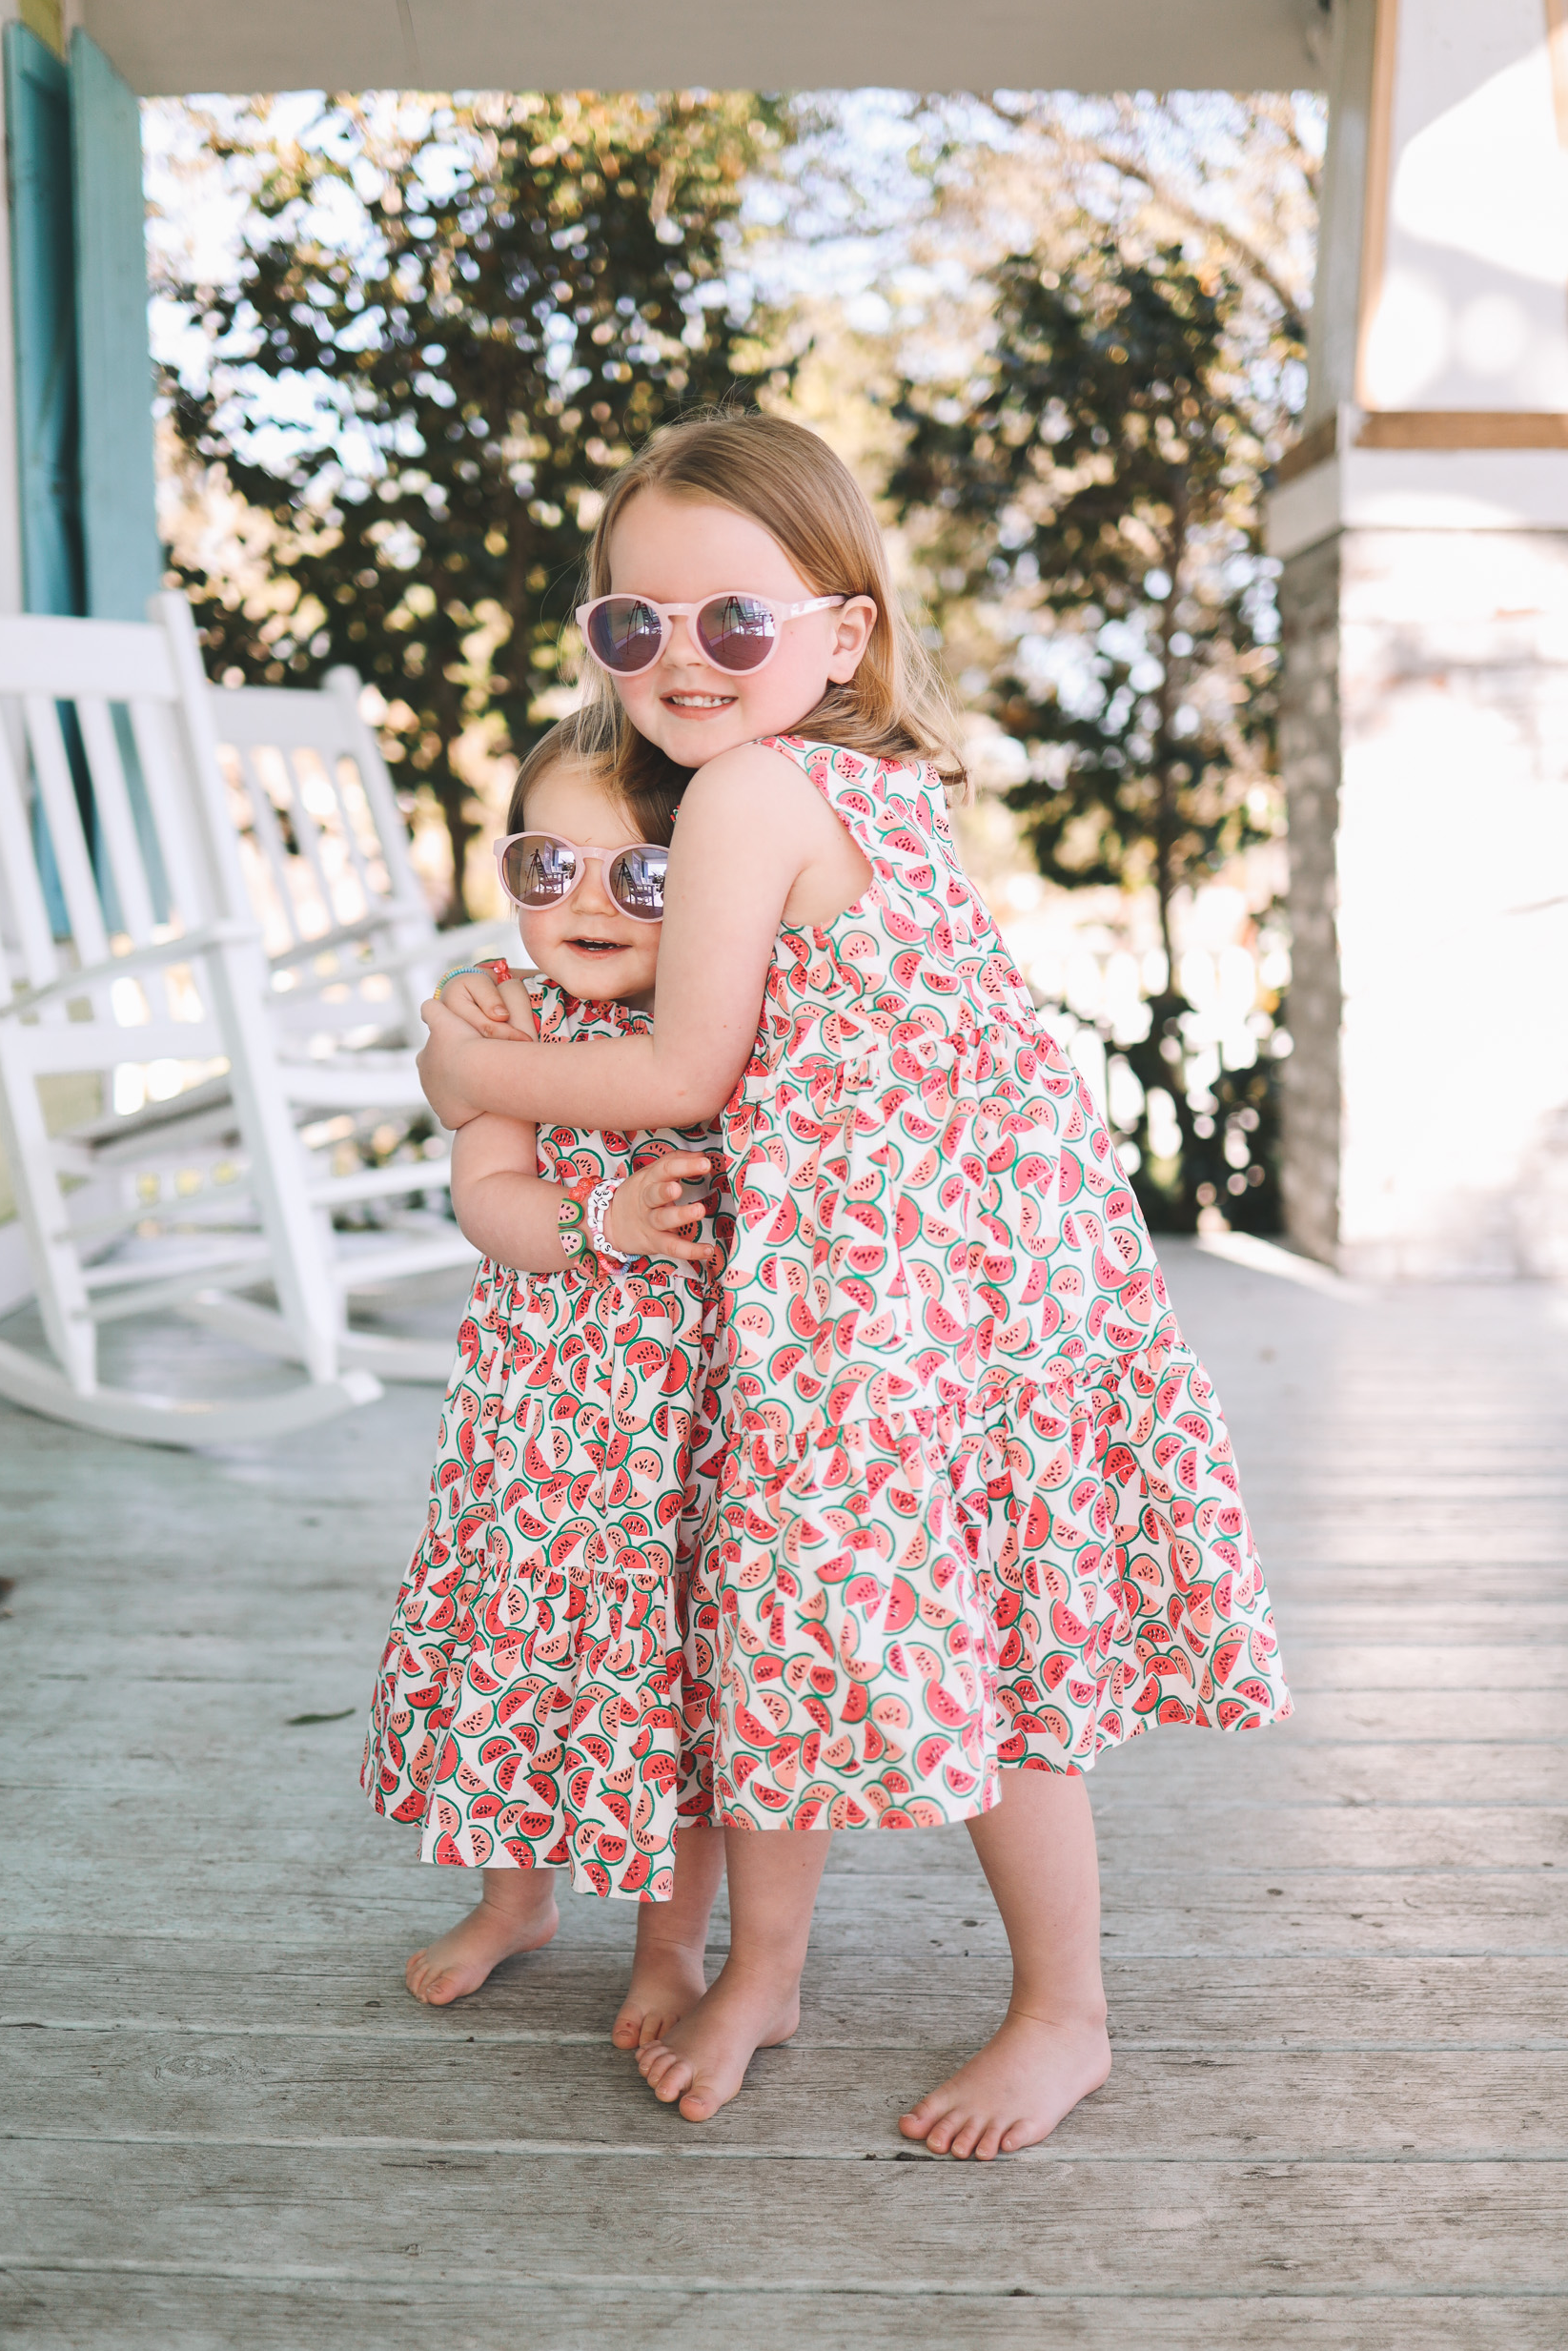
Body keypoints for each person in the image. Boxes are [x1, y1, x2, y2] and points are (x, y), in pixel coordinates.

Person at [418, 413, 1292, 2156]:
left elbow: (680, 1072)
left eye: (733, 621)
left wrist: (471, 1082)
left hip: (887, 1301)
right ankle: (767, 1972)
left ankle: (1064, 2010)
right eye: (630, 623)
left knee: (961, 1644)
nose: (680, 658)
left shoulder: (753, 790)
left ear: (844, 631)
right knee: (825, 1618)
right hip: (943, 1282)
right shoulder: (871, 782)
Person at [362, 710, 732, 2058]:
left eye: (642, 875)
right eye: (545, 866)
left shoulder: (727, 1016)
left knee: (671, 1698)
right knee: (520, 1675)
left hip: (685, 1454)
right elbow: (489, 1193)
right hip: (537, 1442)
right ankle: (513, 1901)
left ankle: (673, 1946)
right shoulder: (505, 1017)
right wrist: (599, 1230)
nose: (585, 901)